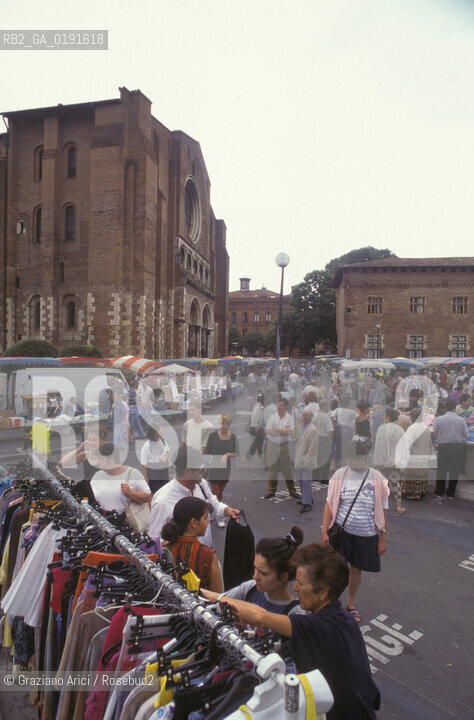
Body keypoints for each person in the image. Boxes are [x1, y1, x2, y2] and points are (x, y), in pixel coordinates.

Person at [217, 543, 380, 719]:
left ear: (323, 593)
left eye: (301, 583)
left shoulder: (314, 625)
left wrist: (214, 597)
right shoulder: (347, 620)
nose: (295, 588)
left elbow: (260, 617)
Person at [321, 440, 389, 622]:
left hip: (366, 534)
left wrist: (383, 538)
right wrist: (325, 531)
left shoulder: (377, 478)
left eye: (353, 459)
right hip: (342, 533)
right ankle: (330, 602)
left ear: (364, 457)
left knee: (356, 569)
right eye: (347, 459)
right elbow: (329, 504)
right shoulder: (340, 475)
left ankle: (351, 604)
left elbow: (382, 510)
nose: (350, 463)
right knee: (335, 569)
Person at [202, 527, 305, 617]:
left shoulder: (295, 613)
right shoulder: (250, 588)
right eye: (255, 568)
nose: (255, 576)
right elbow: (217, 604)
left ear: (283, 576)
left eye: (263, 573)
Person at [149, 446, 240, 546]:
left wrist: (227, 510)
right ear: (187, 472)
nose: (205, 471)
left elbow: (214, 506)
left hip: (206, 553)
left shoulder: (201, 484)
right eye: (201, 468)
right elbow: (154, 540)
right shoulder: (162, 501)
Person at [161, 497, 223, 592]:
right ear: (194, 522)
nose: (208, 521)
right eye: (205, 518)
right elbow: (217, 596)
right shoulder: (208, 555)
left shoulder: (164, 548)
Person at [90, 441, 151, 514]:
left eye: (101, 459)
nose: (98, 462)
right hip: (101, 522)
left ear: (111, 459)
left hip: (123, 523)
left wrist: (131, 493)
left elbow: (148, 497)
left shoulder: (133, 474)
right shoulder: (97, 476)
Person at [372, 408, 407, 514]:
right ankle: (399, 506)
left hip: (381, 461)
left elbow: (377, 445)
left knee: (379, 484)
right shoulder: (400, 430)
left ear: (387, 417)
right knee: (395, 484)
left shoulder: (381, 429)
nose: (383, 417)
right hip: (394, 462)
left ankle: (377, 506)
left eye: (384, 416)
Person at [264, 398, 300, 500]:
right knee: (272, 469)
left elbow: (290, 432)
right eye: (278, 405)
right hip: (272, 445)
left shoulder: (289, 418)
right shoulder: (272, 417)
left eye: (281, 405)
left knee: (287, 468)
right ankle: (271, 491)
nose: (279, 407)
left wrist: (275, 429)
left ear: (286, 407)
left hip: (284, 445)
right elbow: (267, 430)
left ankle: (292, 491)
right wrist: (282, 431)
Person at [433, 398, 468, 499]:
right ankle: (450, 493)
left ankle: (439, 491)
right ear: (454, 408)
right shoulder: (461, 420)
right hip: (456, 447)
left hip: (443, 446)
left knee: (441, 470)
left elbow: (435, 433)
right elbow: (465, 434)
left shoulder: (439, 419)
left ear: (445, 407)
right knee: (454, 470)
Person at [204, 413, 239, 511]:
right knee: (215, 492)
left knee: (220, 493)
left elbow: (237, 453)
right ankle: (216, 512)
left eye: (223, 424)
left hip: (226, 467)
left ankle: (217, 512)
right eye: (220, 423)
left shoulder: (233, 438)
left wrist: (227, 455)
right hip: (214, 466)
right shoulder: (213, 435)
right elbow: (207, 451)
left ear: (228, 425)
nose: (221, 426)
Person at [399, 407, 434, 500]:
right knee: (421, 476)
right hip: (424, 456)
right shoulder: (426, 428)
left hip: (414, 457)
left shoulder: (412, 428)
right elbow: (429, 443)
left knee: (412, 476)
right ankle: (420, 492)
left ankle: (413, 494)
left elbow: (407, 444)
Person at [295, 409, 318, 514]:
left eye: (304, 416)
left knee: (306, 482)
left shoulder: (313, 430)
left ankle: (307, 504)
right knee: (301, 481)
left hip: (306, 461)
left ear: (309, 417)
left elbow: (313, 447)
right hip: (300, 459)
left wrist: (306, 461)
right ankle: (306, 498)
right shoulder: (303, 428)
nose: (302, 418)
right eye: (302, 415)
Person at [140, 424, 170, 493]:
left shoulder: (162, 441)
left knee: (165, 489)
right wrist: (146, 479)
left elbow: (167, 450)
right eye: (161, 429)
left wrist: (165, 457)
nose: (163, 430)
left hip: (163, 469)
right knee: (156, 492)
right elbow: (143, 464)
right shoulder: (147, 446)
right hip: (153, 472)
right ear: (155, 432)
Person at [331, 394, 357, 470]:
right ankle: (343, 467)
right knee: (345, 448)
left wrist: (334, 423)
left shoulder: (337, 410)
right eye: (351, 402)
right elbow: (358, 417)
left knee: (337, 448)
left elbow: (331, 416)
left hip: (338, 430)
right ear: (348, 403)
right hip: (347, 431)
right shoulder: (351, 412)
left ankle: (335, 466)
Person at [312, 400, 334, 484]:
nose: (328, 407)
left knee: (317, 457)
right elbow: (330, 430)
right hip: (325, 439)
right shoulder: (326, 417)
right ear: (324, 406)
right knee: (326, 459)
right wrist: (331, 439)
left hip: (317, 437)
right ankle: (324, 478)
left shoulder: (315, 415)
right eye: (328, 405)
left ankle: (315, 476)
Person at [242, 392, 265, 467]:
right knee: (257, 442)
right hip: (255, 428)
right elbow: (254, 417)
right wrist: (256, 426)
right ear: (263, 400)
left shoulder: (260, 406)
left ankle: (251, 458)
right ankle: (247, 458)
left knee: (258, 442)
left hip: (258, 428)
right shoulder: (258, 407)